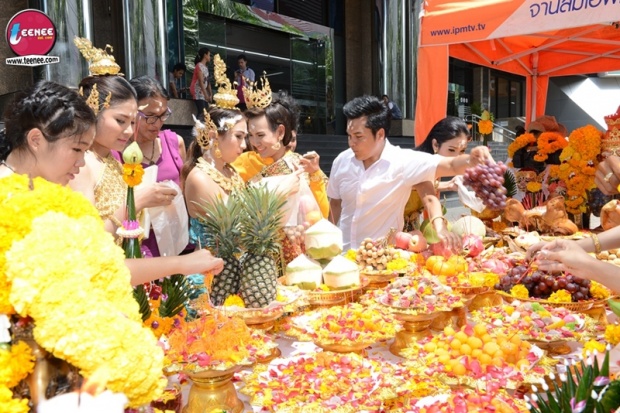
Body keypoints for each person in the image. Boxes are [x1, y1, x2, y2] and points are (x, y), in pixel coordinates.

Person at [0, 79, 223, 286]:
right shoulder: (7, 194)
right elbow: (84, 266)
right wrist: (178, 264)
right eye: (77, 149)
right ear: (36, 140)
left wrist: (180, 264)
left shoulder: (46, 189)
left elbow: (93, 260)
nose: (80, 162)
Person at [328, 95, 494, 251]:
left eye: (358, 136)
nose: (352, 143)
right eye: (349, 136)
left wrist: (470, 160)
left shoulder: (403, 162)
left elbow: (449, 164)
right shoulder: (341, 161)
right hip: (342, 259)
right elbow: (334, 204)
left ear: (380, 134)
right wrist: (326, 240)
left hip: (381, 262)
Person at [122, 75, 188, 257]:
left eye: (163, 115)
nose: (157, 123)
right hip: (135, 248)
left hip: (174, 244)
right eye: (150, 117)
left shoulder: (175, 142)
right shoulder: (116, 150)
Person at [403, 116, 471, 231]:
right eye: (451, 150)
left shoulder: (433, 168)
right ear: (435, 145)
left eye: (462, 151)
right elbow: (428, 197)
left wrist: (448, 185)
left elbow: (424, 184)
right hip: (385, 234)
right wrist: (440, 228)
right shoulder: (419, 164)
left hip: (412, 234)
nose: (456, 157)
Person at [189, 47, 212, 118]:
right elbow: (201, 82)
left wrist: (210, 94)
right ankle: (197, 128)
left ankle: (202, 128)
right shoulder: (199, 66)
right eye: (209, 55)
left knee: (206, 112)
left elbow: (207, 82)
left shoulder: (205, 67)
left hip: (203, 92)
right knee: (202, 112)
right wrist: (206, 95)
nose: (209, 57)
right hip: (198, 91)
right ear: (205, 55)